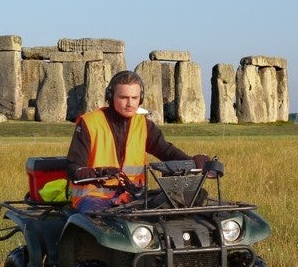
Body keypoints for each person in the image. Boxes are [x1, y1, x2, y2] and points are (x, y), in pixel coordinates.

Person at [67, 70, 210, 212]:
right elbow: (73, 167)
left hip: (132, 196)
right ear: (110, 97)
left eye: (134, 98)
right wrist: (99, 173)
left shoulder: (143, 125)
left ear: (140, 99)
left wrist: (193, 161)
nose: (130, 103)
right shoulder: (89, 123)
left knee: (184, 201)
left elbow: (166, 151)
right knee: (101, 223)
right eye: (124, 97)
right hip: (94, 197)